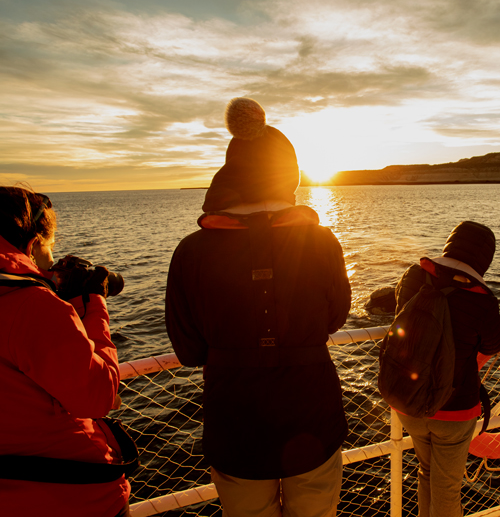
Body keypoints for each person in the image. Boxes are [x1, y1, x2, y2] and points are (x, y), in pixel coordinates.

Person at [165, 98, 351, 517]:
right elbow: (336, 317)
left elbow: (188, 349)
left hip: (236, 423)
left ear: (230, 172)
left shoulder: (192, 252)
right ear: (289, 174)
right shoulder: (321, 243)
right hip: (313, 415)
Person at [0, 186, 131, 517]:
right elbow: (98, 396)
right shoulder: (29, 304)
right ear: (32, 243)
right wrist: (89, 303)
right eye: (50, 248)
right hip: (67, 497)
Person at [393, 221, 500, 517]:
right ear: (485, 259)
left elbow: (400, 322)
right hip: (455, 411)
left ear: (450, 244)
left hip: (409, 402)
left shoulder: (414, 276)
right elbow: (491, 346)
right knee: (447, 488)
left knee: (425, 473)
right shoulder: (485, 300)